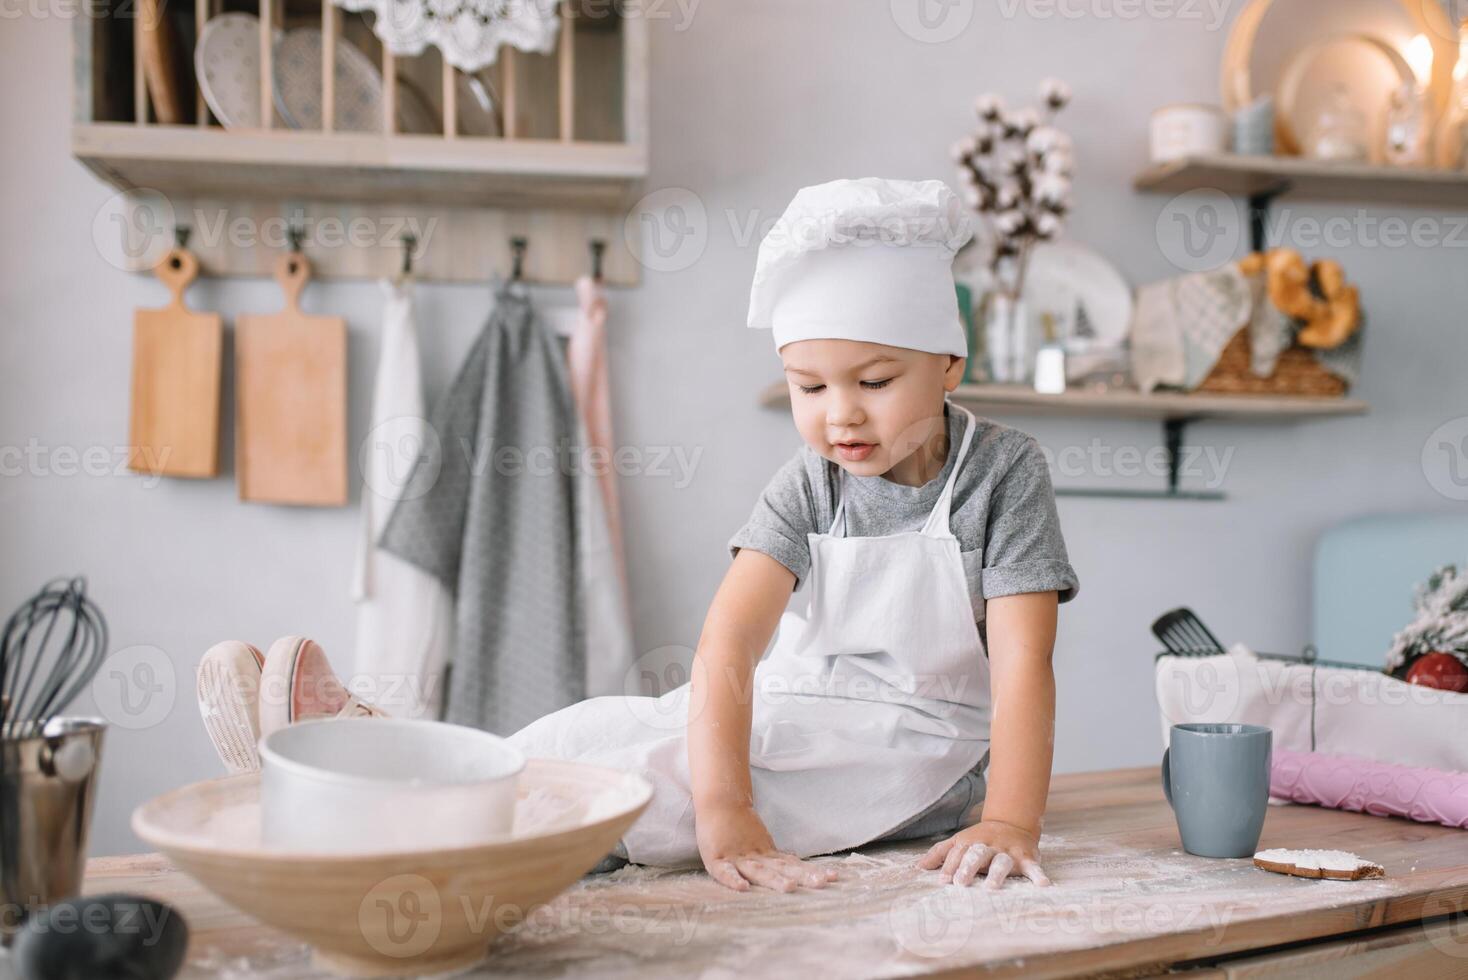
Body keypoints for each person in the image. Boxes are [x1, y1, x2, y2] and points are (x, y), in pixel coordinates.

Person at [509, 176, 1079, 892]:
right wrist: (726, 807)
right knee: (590, 735)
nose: (840, 416)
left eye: (873, 382)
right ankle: (420, 781)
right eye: (810, 388)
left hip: (918, 748)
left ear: (948, 365)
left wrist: (1010, 822)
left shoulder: (1003, 474)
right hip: (801, 706)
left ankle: (465, 824)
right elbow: (731, 643)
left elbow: (1024, 664)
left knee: (661, 784)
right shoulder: (810, 482)